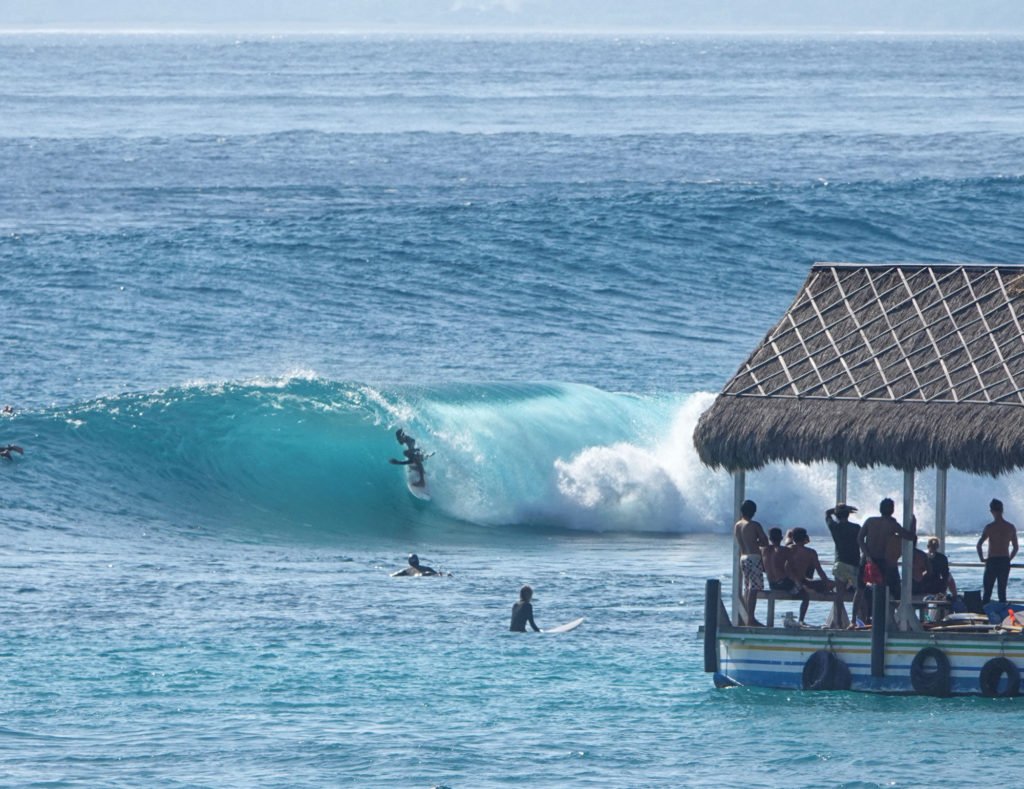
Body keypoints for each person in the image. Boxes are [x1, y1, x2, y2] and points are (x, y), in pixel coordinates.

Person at [858, 498, 915, 603]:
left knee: (860, 589)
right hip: (881, 561)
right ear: (892, 510)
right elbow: (910, 536)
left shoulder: (870, 521)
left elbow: (860, 538)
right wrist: (913, 522)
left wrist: (867, 555)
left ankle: (854, 616)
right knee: (885, 588)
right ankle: (886, 615)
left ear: (880, 509)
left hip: (867, 559)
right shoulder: (892, 524)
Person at [786, 527, 834, 624]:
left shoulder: (788, 549)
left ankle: (801, 620)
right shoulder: (810, 552)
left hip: (788, 582)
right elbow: (819, 571)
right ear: (805, 538)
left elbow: (786, 568)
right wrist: (827, 582)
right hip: (799, 583)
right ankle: (801, 620)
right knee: (832, 585)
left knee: (812, 586)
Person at [734, 499, 769, 626]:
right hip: (754, 557)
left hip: (743, 557)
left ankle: (747, 616)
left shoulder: (738, 525)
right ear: (753, 512)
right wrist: (757, 543)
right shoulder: (754, 525)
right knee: (753, 589)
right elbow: (765, 541)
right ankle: (751, 619)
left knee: (748, 588)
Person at [977, 498, 1018, 604]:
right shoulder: (1010, 527)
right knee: (1002, 592)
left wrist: (982, 558)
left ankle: (986, 617)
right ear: (1002, 510)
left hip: (992, 560)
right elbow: (1015, 547)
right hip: (1004, 560)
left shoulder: (990, 527)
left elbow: (979, 544)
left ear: (992, 511)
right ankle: (1004, 617)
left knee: (987, 591)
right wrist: (1008, 558)